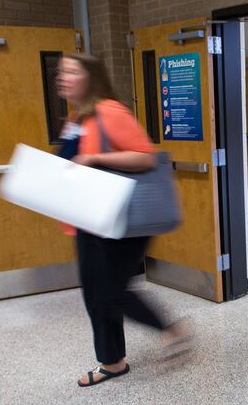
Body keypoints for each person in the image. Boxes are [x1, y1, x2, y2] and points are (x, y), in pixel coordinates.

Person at [55, 53, 189, 387]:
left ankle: (172, 329)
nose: (62, 77)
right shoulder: (76, 118)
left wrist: (96, 156)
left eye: (71, 71)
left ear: (91, 77)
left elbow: (145, 157)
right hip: (88, 219)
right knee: (95, 295)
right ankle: (112, 362)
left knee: (111, 291)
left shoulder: (109, 112)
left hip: (121, 219)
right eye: (61, 72)